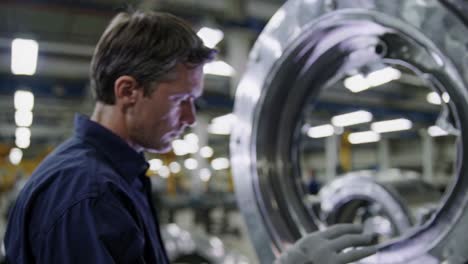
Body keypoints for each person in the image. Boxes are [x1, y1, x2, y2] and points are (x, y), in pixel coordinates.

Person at [4, 10, 376, 264]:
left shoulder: (116, 177)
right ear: (128, 91)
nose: (190, 118)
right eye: (181, 100)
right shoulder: (87, 192)